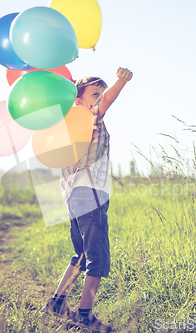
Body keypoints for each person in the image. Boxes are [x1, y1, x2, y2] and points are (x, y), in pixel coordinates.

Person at [42, 67, 133, 332]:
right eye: (95, 93)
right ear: (78, 100)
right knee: (97, 257)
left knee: (81, 255)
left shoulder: (67, 125)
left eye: (102, 91)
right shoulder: (87, 116)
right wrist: (120, 82)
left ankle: (57, 303)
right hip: (90, 194)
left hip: (74, 196)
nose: (101, 96)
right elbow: (107, 102)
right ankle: (85, 316)